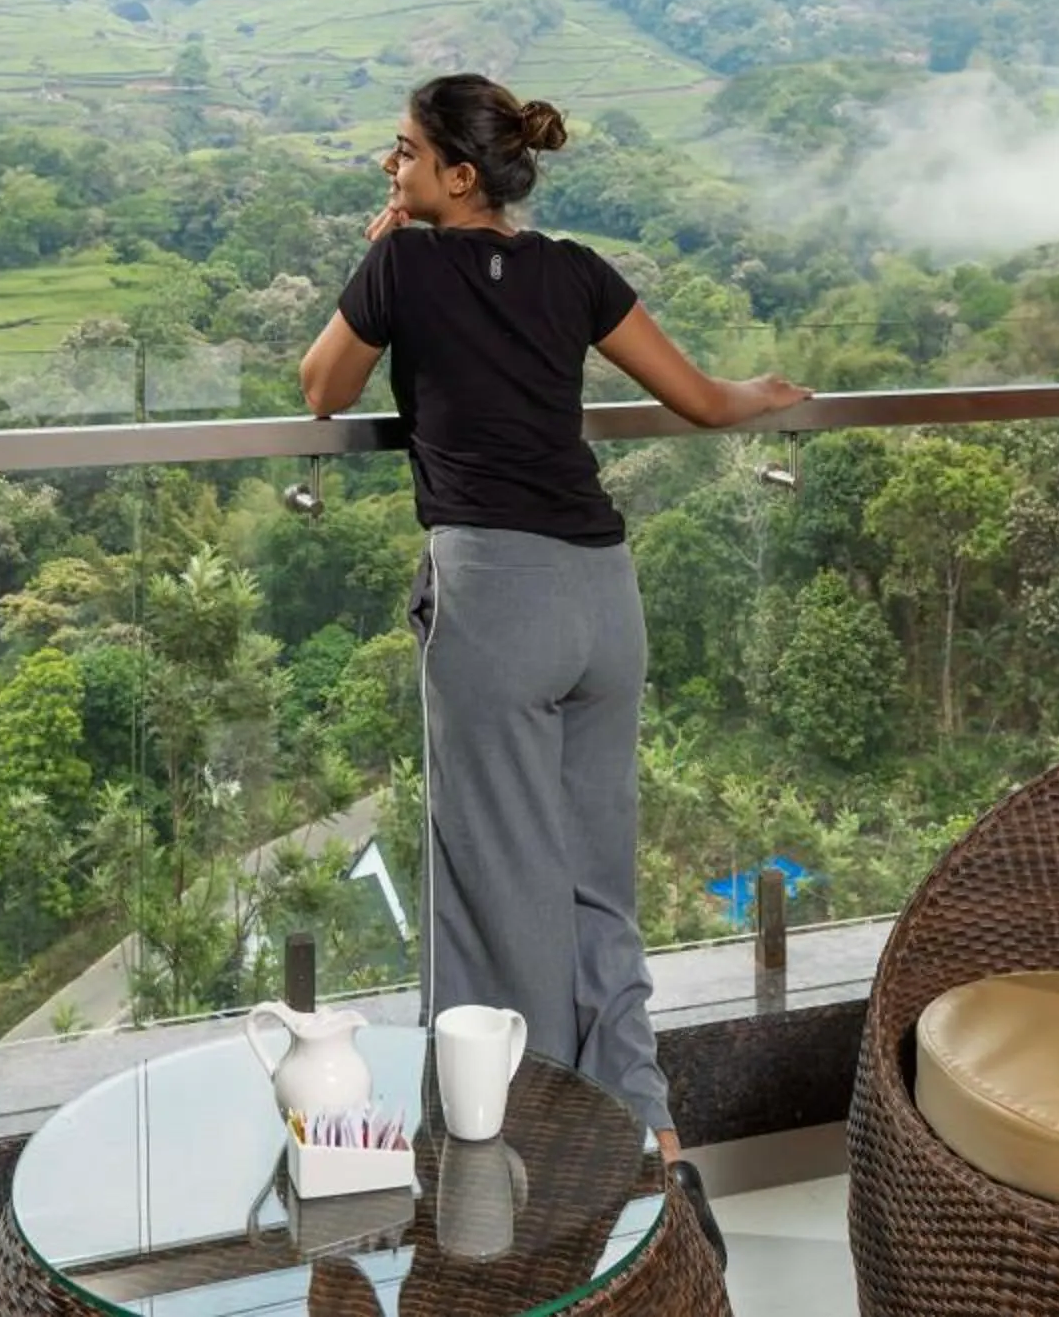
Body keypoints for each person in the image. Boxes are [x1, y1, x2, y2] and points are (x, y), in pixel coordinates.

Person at [298, 73, 809, 1261]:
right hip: (602, 596)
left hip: (497, 597)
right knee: (595, 886)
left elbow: (322, 391)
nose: (391, 169)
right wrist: (769, 396)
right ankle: (655, 1155)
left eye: (405, 156)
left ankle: (510, 1197)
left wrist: (380, 250)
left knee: (488, 898)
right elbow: (695, 398)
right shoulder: (575, 270)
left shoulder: (402, 267)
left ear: (457, 177)